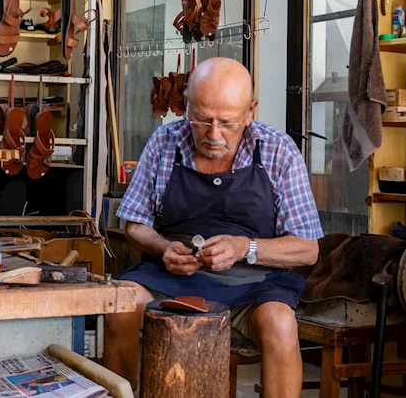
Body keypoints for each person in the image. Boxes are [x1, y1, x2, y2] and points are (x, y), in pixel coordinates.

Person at [104, 57, 322, 398]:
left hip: (254, 285)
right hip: (171, 278)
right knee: (121, 305)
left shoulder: (279, 151)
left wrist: (244, 248)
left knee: (281, 324)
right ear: (186, 105)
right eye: (202, 120)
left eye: (227, 123)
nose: (214, 135)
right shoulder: (164, 143)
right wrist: (162, 249)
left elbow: (308, 249)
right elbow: (134, 223)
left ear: (251, 111)